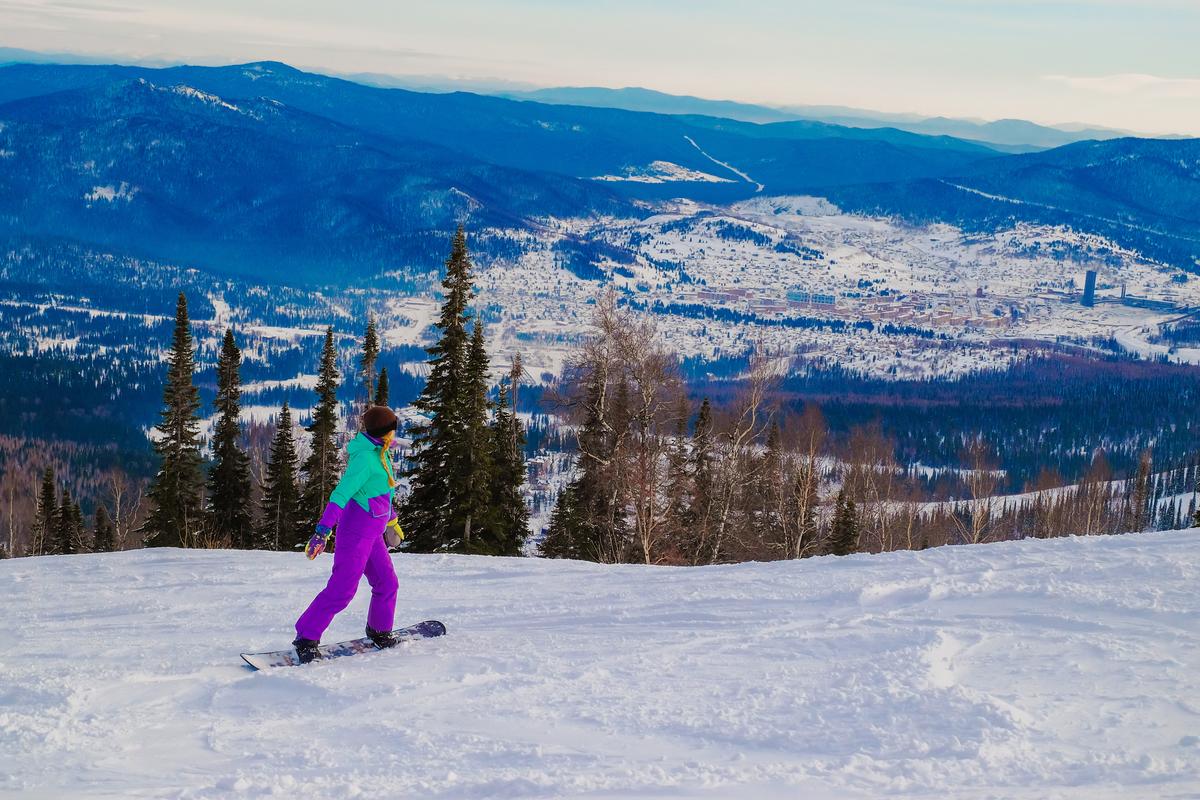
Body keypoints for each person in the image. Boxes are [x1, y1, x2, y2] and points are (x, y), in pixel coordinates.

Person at [292, 405, 406, 663]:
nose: (395, 433)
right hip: (355, 534)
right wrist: (322, 531)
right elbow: (340, 495)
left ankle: (379, 630)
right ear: (385, 432)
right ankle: (306, 638)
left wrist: (392, 521)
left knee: (388, 583)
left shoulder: (381, 453)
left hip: (374, 534)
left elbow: (382, 492)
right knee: (342, 590)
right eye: (393, 429)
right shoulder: (365, 459)